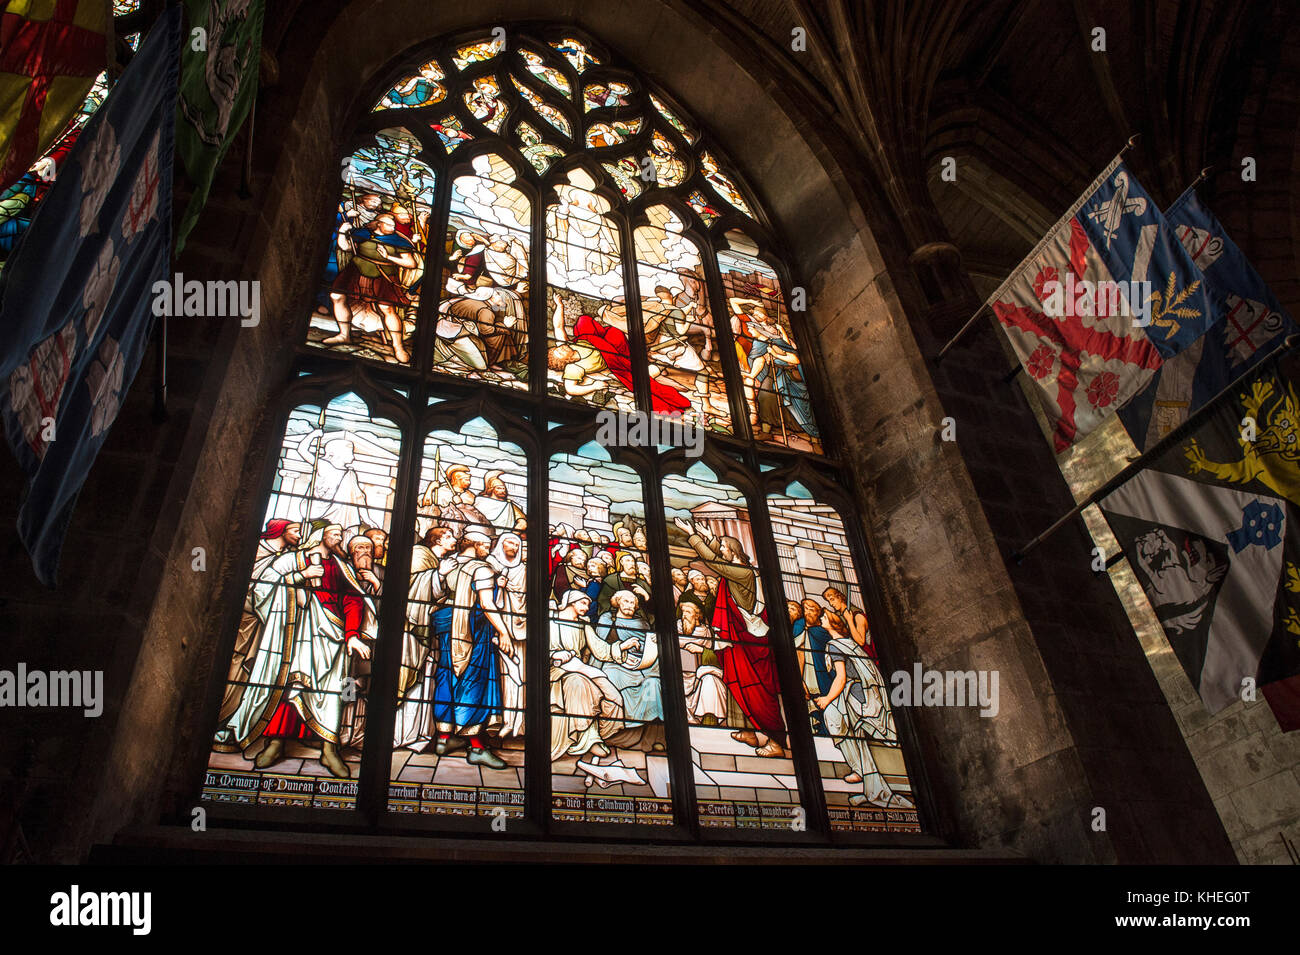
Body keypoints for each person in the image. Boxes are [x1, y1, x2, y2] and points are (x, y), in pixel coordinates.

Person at [251, 524, 377, 778]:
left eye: (341, 534)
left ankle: (329, 750)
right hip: (299, 631)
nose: (339, 537)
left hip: (335, 636)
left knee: (334, 693)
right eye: (334, 533)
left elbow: (353, 599)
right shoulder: (292, 560)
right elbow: (263, 587)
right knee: (293, 685)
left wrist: (352, 635)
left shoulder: (342, 567)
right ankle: (276, 742)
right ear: (320, 534)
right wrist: (301, 575)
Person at [674, 516, 786, 757]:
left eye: (724, 546)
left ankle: (776, 740)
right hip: (736, 639)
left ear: (734, 551)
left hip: (749, 641)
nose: (721, 549)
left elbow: (717, 564)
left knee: (756, 688)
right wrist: (711, 538)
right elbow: (721, 557)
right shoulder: (739, 569)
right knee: (738, 683)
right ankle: (756, 732)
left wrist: (693, 535)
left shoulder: (743, 572)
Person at [431, 531, 513, 768]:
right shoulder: (482, 568)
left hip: (447, 625)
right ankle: (476, 747)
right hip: (472, 631)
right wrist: (503, 632)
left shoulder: (450, 565)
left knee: (447, 675)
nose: (488, 550)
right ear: (475, 545)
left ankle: (444, 738)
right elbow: (486, 604)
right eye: (486, 545)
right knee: (474, 680)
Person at [811, 632, 912, 809]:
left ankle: (871, 783)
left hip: (857, 697)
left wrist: (827, 699)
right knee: (852, 733)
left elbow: (841, 677)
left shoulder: (836, 645)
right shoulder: (849, 644)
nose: (822, 617)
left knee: (849, 730)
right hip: (862, 695)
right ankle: (868, 782)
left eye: (825, 616)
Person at [324, 212, 419, 363]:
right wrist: (343, 232)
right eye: (389, 224)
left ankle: (398, 347)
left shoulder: (398, 241)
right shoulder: (362, 234)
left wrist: (388, 257)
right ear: (378, 223)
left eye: (393, 224)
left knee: (387, 309)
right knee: (336, 296)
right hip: (356, 270)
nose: (393, 226)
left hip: (383, 275)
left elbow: (411, 263)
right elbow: (346, 248)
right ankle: (344, 335)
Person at [549, 591, 629, 760]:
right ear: (572, 602)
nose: (587, 608)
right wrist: (552, 655)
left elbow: (599, 649)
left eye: (588, 604)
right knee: (578, 683)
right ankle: (588, 739)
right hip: (554, 671)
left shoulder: (583, 625)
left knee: (611, 693)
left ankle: (601, 733)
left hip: (579, 668)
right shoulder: (550, 620)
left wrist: (620, 647)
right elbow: (533, 645)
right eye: (583, 603)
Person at [595, 591, 662, 725]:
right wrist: (623, 647)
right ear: (618, 602)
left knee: (654, 683)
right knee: (611, 677)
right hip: (616, 662)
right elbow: (600, 644)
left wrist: (654, 641)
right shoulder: (607, 618)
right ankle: (618, 724)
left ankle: (650, 723)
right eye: (626, 601)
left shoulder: (642, 622)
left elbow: (647, 643)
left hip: (642, 664)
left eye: (632, 603)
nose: (630, 605)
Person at [489, 532, 527, 737]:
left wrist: (507, 588)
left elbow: (527, 598)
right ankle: (503, 720)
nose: (512, 546)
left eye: (516, 543)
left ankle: (519, 721)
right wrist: (498, 587)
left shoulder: (523, 569)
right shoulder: (491, 566)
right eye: (509, 542)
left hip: (521, 629)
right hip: (497, 627)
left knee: (519, 676)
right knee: (501, 677)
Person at [678, 601, 727, 725]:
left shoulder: (707, 632)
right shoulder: (675, 628)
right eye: (683, 612)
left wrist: (702, 650)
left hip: (700, 673)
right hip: (678, 673)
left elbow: (722, 656)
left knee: (710, 680)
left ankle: (709, 721)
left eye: (688, 612)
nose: (684, 615)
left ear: (697, 615)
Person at [823, 587, 874, 658]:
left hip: (867, 656)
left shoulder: (858, 616)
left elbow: (861, 642)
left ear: (840, 597)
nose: (831, 604)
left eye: (832, 599)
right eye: (829, 601)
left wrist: (850, 620)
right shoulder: (838, 617)